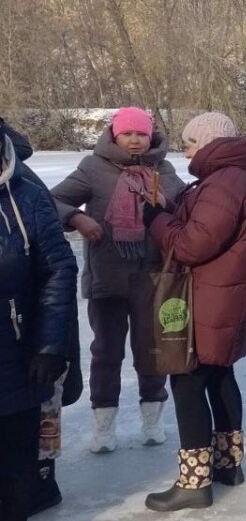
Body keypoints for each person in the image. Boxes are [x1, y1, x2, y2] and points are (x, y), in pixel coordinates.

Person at [142, 113, 246, 510]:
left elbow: (193, 244)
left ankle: (194, 483)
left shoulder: (225, 181)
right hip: (222, 295)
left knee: (188, 379)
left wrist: (156, 221)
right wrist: (170, 210)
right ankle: (228, 464)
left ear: (210, 141)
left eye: (190, 143)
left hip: (210, 298)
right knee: (218, 374)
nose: (185, 152)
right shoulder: (228, 178)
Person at [51, 107, 184, 454]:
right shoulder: (93, 168)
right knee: (106, 353)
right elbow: (52, 200)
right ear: (114, 135)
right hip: (107, 278)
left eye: (141, 134)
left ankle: (152, 420)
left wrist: (166, 204)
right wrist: (77, 218)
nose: (135, 140)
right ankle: (104, 426)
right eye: (128, 134)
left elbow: (186, 208)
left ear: (150, 137)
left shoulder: (163, 169)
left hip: (151, 278)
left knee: (152, 352)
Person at [0, 120, 77, 521]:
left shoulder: (26, 194)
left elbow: (58, 268)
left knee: (18, 453)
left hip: (17, 349)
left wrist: (50, 343)